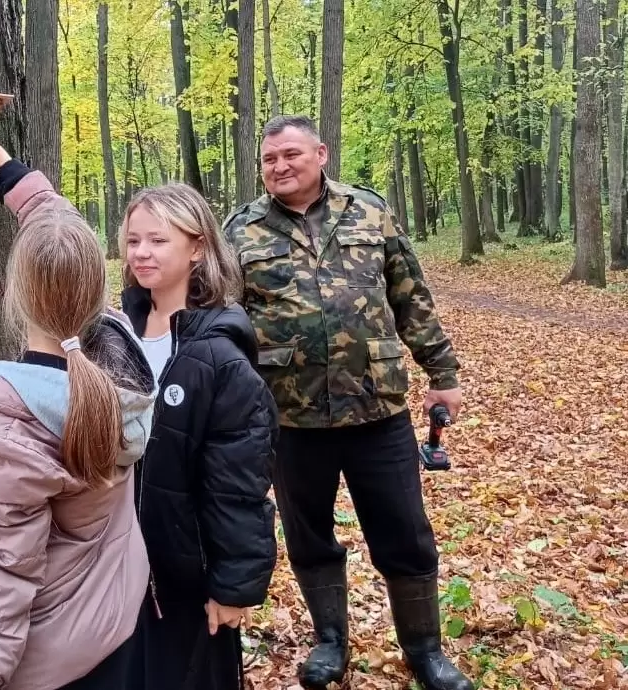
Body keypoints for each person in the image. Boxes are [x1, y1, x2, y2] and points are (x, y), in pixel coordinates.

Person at [221, 115, 473, 690]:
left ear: (321, 153)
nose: (280, 166)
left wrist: (442, 370)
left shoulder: (370, 212)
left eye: (291, 154)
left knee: (405, 534)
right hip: (290, 415)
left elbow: (410, 296)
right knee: (308, 537)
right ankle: (330, 641)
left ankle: (425, 651)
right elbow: (224, 320)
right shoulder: (240, 231)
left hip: (375, 410)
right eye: (269, 159)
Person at [0, 141, 157, 690]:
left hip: (54, 662)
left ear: (12, 294)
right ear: (95, 291)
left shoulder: (6, 432)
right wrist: (8, 172)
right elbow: (62, 239)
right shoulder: (118, 353)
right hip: (120, 629)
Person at [118, 182, 279, 690]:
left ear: (197, 248)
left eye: (159, 241)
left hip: (188, 577)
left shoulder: (219, 356)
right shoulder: (118, 333)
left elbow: (239, 480)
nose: (142, 253)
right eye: (133, 240)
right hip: (119, 566)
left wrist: (233, 586)